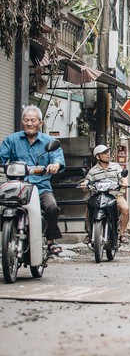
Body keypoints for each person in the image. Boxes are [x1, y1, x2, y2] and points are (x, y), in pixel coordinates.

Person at [0, 105, 66, 255]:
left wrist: (55, 165)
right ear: (22, 122)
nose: (29, 123)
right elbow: (1, 157)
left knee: (51, 207)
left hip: (40, 187)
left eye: (33, 120)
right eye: (26, 120)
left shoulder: (49, 141)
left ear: (40, 123)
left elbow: (58, 158)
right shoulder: (12, 140)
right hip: (16, 186)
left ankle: (51, 241)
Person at [81, 145, 129, 244]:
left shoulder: (116, 166)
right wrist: (84, 185)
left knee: (125, 209)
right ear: (98, 157)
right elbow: (87, 182)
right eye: (104, 153)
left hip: (115, 195)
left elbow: (122, 177)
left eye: (108, 152)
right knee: (88, 209)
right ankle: (90, 234)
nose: (108, 154)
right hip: (99, 196)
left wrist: (124, 182)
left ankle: (122, 234)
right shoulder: (93, 171)